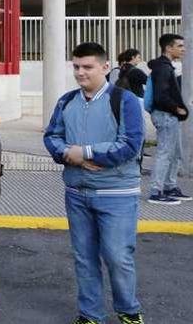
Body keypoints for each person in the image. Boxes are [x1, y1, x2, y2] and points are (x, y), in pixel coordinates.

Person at [43, 42, 145, 324]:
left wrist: (85, 152)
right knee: (84, 257)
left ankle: (128, 310)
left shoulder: (124, 101)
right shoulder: (66, 101)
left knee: (117, 256)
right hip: (76, 192)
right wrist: (68, 155)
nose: (80, 73)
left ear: (104, 67)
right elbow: (51, 136)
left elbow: (131, 145)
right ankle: (90, 314)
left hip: (117, 193)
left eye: (87, 67)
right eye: (76, 67)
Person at [147, 33, 190, 205]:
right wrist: (176, 108)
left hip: (169, 116)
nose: (183, 49)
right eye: (179, 46)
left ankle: (170, 186)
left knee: (176, 154)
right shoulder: (163, 68)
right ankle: (156, 192)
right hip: (165, 115)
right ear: (168, 48)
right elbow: (161, 96)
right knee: (165, 153)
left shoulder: (165, 66)